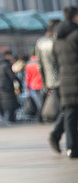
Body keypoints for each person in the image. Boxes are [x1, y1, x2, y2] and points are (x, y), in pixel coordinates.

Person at [52, 6, 78, 158]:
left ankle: (71, 147)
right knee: (71, 113)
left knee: (70, 113)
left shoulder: (57, 39)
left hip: (65, 79)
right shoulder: (76, 35)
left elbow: (56, 61)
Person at [37, 18, 65, 153]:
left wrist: (45, 83)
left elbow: (40, 65)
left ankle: (57, 134)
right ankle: (56, 134)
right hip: (63, 79)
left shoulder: (40, 42)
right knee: (69, 110)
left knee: (67, 110)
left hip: (50, 81)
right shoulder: (57, 41)